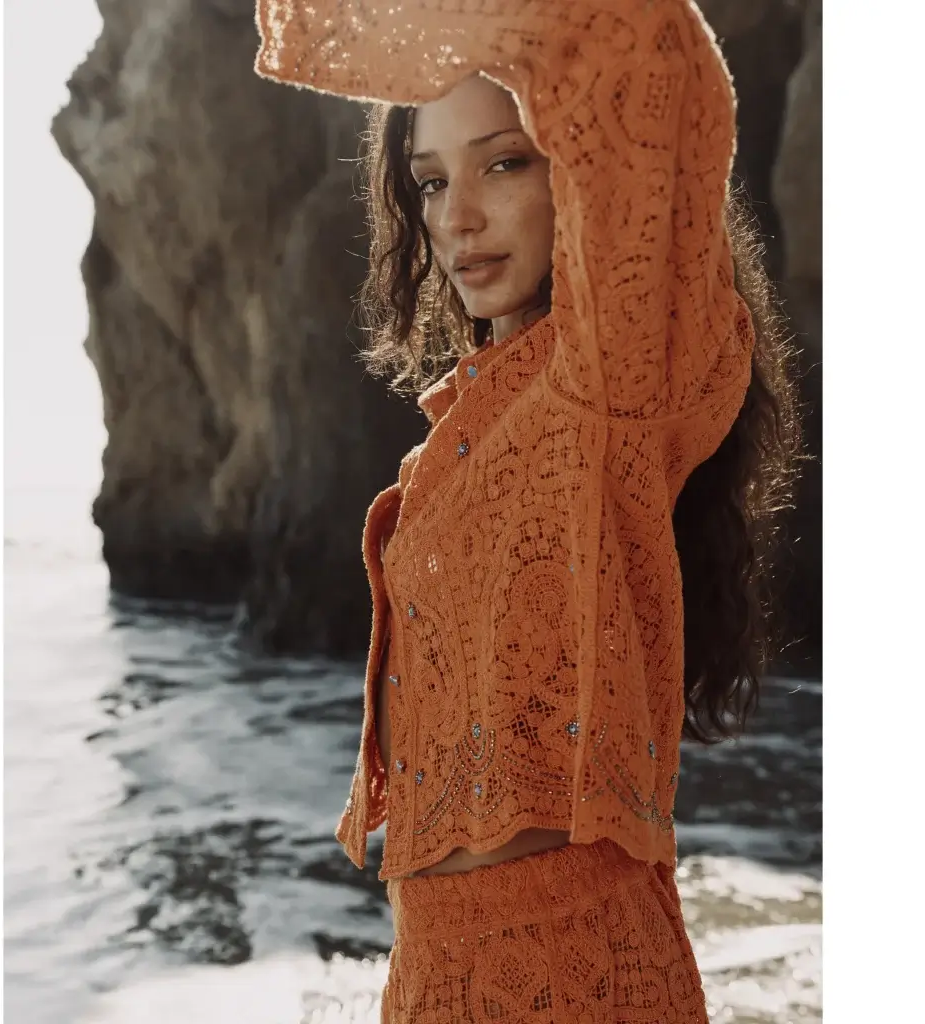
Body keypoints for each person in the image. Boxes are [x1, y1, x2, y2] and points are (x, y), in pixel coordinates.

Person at [255, 1, 799, 1021]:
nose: (456, 216)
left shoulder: (612, 385)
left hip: (576, 973)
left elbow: (643, 51)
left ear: (578, 172)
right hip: (431, 975)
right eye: (429, 180)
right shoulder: (456, 437)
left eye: (504, 163)